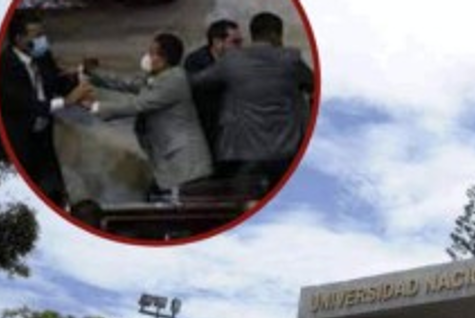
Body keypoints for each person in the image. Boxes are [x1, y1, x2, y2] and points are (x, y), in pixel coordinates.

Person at [191, 11, 314, 191]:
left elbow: (197, 82)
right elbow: (315, 87)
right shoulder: (291, 59)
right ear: (276, 34)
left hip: (241, 151)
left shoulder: (232, 60)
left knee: (244, 200)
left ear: (252, 33)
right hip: (284, 149)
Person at [82, 33, 212, 199]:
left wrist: (96, 106)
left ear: (164, 58)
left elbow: (139, 104)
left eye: (151, 53)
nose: (147, 57)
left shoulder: (174, 79)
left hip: (186, 162)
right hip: (173, 160)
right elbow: (127, 82)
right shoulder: (158, 77)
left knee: (180, 206)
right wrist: (94, 73)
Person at [0, 9, 93, 206]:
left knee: (55, 192)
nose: (43, 40)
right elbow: (29, 105)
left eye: (42, 34)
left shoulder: (42, 55)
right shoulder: (4, 67)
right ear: (19, 39)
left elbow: (55, 81)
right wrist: (67, 101)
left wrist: (78, 78)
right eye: (37, 35)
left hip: (44, 139)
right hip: (20, 144)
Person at [183, 18, 242, 155]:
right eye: (235, 42)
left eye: (240, 42)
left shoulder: (237, 60)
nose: (240, 47)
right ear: (217, 42)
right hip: (206, 128)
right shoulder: (196, 61)